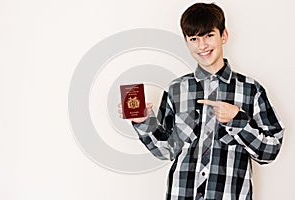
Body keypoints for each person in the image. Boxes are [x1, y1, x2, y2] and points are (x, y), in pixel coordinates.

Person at [122, 2, 284, 200]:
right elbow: (166, 150)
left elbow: (270, 151)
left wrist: (237, 120)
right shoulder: (176, 89)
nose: (202, 46)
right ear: (187, 42)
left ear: (223, 36)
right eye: (194, 38)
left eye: (209, 35)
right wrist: (143, 122)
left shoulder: (251, 90)